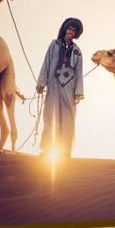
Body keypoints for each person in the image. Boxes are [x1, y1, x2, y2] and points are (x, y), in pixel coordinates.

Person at [36, 18, 84, 159]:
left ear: (76, 34)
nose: (71, 32)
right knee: (50, 116)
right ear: (65, 29)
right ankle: (47, 149)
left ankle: (65, 151)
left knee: (68, 118)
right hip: (53, 85)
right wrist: (41, 82)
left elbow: (79, 72)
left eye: (74, 30)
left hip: (69, 87)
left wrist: (78, 93)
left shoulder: (77, 52)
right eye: (69, 29)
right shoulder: (54, 45)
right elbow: (47, 63)